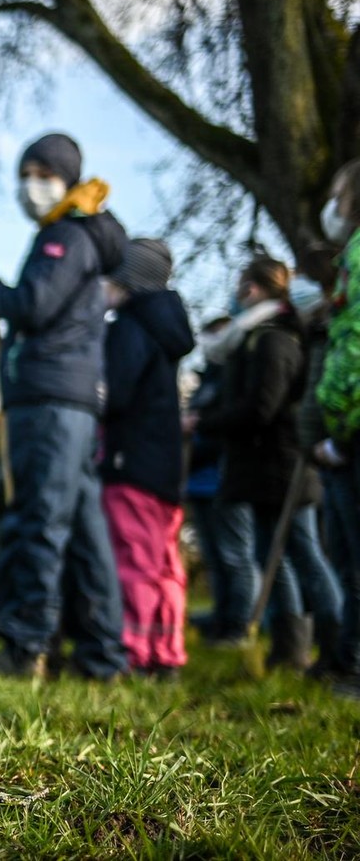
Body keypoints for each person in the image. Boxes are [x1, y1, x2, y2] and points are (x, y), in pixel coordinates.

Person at [0, 132, 129, 681]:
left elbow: (35, 305)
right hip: (70, 401)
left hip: (50, 399)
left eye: (42, 173)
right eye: (25, 173)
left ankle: (28, 644)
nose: (30, 185)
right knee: (84, 529)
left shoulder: (65, 234)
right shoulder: (75, 234)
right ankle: (103, 654)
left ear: (66, 178)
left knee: (41, 519)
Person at [194, 255, 343, 671]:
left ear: (254, 288)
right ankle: (289, 648)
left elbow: (263, 405)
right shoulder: (255, 336)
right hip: (260, 467)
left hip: (281, 464)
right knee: (273, 557)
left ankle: (338, 649)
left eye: (242, 283)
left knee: (304, 552)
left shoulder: (274, 339)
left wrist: (209, 421)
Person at [99, 239, 195, 680]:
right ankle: (167, 651)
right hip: (166, 463)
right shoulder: (167, 326)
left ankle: (134, 651)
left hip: (131, 459)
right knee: (164, 563)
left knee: (132, 556)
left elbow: (115, 393)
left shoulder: (129, 326)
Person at [314, 161, 360, 695]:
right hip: (343, 425)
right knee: (344, 554)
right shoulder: (351, 256)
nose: (333, 204)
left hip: (350, 422)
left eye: (339, 194)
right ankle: (347, 657)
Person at [185, 316, 232, 640]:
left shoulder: (230, 377)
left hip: (220, 479)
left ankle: (237, 623)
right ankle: (221, 615)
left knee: (233, 556)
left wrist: (198, 429)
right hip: (197, 481)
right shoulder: (207, 379)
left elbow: (221, 429)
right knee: (214, 557)